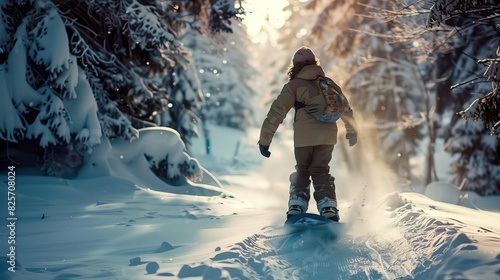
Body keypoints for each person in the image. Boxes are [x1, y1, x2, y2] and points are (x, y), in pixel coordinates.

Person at [258, 46, 358, 221]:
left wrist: (265, 140)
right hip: (327, 136)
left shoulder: (294, 86)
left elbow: (276, 112)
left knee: (303, 170)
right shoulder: (329, 83)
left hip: (304, 137)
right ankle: (328, 206)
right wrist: (352, 130)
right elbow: (346, 108)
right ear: (314, 63)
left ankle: (297, 204)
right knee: (321, 170)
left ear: (295, 66)